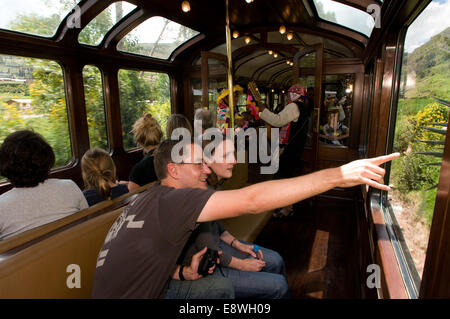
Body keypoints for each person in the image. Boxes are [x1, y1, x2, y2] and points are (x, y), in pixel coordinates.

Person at [91, 135, 399, 299]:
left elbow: (141, 262)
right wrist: (337, 175)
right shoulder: (174, 201)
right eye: (199, 164)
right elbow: (252, 200)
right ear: (174, 171)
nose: (207, 169)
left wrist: (181, 273)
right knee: (273, 288)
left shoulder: (150, 198)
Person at [178, 136, 289, 298]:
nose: (234, 161)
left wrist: (238, 244)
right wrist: (242, 265)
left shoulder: (214, 186)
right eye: (226, 156)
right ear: (207, 160)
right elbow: (208, 250)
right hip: (206, 265)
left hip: (219, 248)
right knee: (279, 286)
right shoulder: (202, 192)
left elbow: (216, 226)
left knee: (276, 260)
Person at [0, 130, 88, 240]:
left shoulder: (2, 205)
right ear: (47, 157)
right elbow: (87, 223)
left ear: (5, 165)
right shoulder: (69, 187)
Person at [258, 84, 313, 218]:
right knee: (286, 177)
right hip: (296, 147)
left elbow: (277, 121)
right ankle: (287, 206)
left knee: (281, 178)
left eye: (289, 94)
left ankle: (284, 208)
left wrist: (263, 111)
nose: (288, 96)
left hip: (290, 148)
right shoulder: (303, 107)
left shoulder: (293, 106)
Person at [128, 113, 163, 192]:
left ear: (139, 142)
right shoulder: (171, 156)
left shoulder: (139, 170)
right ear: (159, 135)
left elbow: (132, 197)